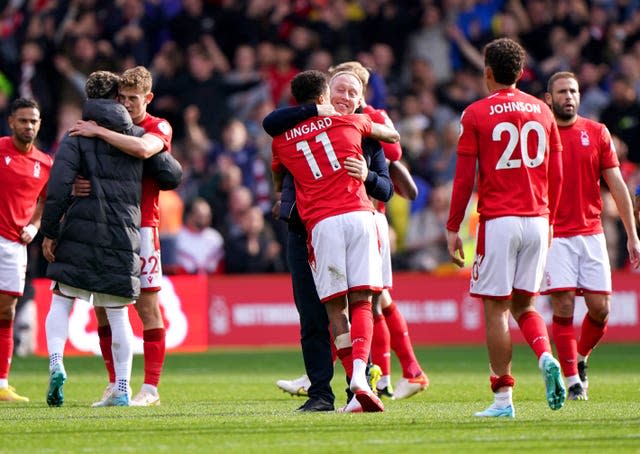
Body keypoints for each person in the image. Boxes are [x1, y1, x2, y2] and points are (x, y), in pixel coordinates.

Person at [446, 38, 566, 418]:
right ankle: (546, 356)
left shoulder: (476, 114)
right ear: (521, 72)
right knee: (526, 304)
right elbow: (557, 173)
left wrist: (453, 227)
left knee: (496, 310)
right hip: (537, 218)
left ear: (487, 72)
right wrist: (550, 219)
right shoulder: (542, 111)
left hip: (500, 220)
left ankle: (503, 400)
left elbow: (465, 179)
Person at [264, 70, 395, 411]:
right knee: (316, 313)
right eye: (340, 89)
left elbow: (388, 188)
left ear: (360, 98)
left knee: (345, 306)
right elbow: (393, 134)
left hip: (327, 222)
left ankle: (357, 386)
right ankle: (326, 391)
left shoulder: (287, 137)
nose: (345, 97)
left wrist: (368, 177)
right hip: (308, 228)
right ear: (325, 95)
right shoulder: (354, 125)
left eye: (353, 92)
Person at [68, 66, 176, 407]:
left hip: (144, 226)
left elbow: (144, 150)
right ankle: (116, 383)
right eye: (122, 98)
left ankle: (151, 389)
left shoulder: (158, 126)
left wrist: (99, 133)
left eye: (134, 98)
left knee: (147, 307)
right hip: (106, 226)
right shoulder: (109, 125)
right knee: (103, 309)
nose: (127, 104)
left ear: (148, 98)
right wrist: (76, 185)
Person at [41, 71, 145, 407]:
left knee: (61, 300)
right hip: (122, 233)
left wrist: (50, 232)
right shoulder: (138, 136)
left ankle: (57, 363)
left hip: (80, 231)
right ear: (118, 96)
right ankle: (124, 388)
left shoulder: (76, 137)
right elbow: (171, 173)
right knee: (118, 315)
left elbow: (56, 188)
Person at [541, 71, 640, 400]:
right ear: (548, 99)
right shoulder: (540, 135)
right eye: (562, 91)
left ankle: (580, 359)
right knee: (564, 304)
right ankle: (572, 382)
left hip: (591, 232)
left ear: (580, 96)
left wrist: (632, 234)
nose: (568, 96)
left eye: (573, 91)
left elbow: (617, 186)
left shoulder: (597, 133)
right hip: (555, 234)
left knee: (601, 309)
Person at [0, 98, 52, 403]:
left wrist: (35, 227)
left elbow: (45, 201)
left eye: (33, 121)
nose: (28, 126)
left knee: (7, 311)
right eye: (23, 120)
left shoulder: (44, 163)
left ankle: (2, 383)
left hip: (15, 245)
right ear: (11, 122)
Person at [175, 197, 224, 274]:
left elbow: (220, 267)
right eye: (200, 216)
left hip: (211, 281)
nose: (204, 219)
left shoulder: (215, 237)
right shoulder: (177, 235)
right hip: (184, 281)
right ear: (189, 216)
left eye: (207, 216)